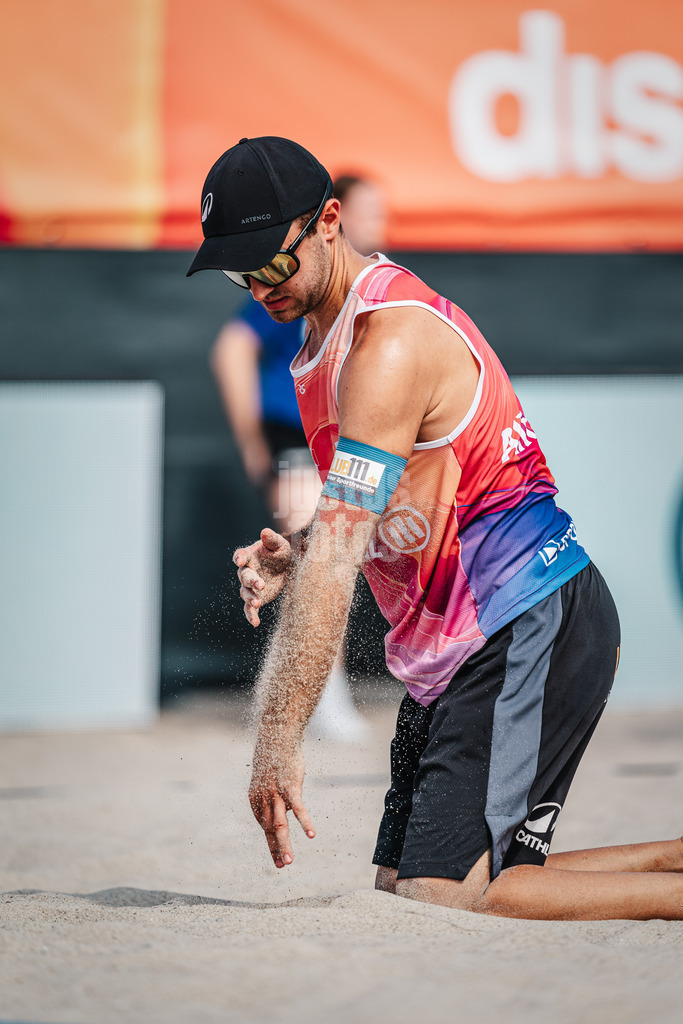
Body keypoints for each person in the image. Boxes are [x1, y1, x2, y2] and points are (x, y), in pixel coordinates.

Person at [187, 136, 683, 920]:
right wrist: (301, 552)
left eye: (272, 264)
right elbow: (368, 513)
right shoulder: (321, 339)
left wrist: (277, 740)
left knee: (441, 894)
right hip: (457, 646)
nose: (259, 286)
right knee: (407, 888)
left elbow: (342, 564)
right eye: (239, 271)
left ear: (328, 222)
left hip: (525, 620)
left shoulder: (387, 343)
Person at [209, 173, 386, 741]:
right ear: (334, 220)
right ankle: (316, 699)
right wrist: (254, 443)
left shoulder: (372, 294)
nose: (382, 223)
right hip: (295, 441)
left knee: (330, 559)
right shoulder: (290, 277)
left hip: (346, 444)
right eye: (372, 211)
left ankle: (300, 692)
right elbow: (231, 349)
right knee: (318, 563)